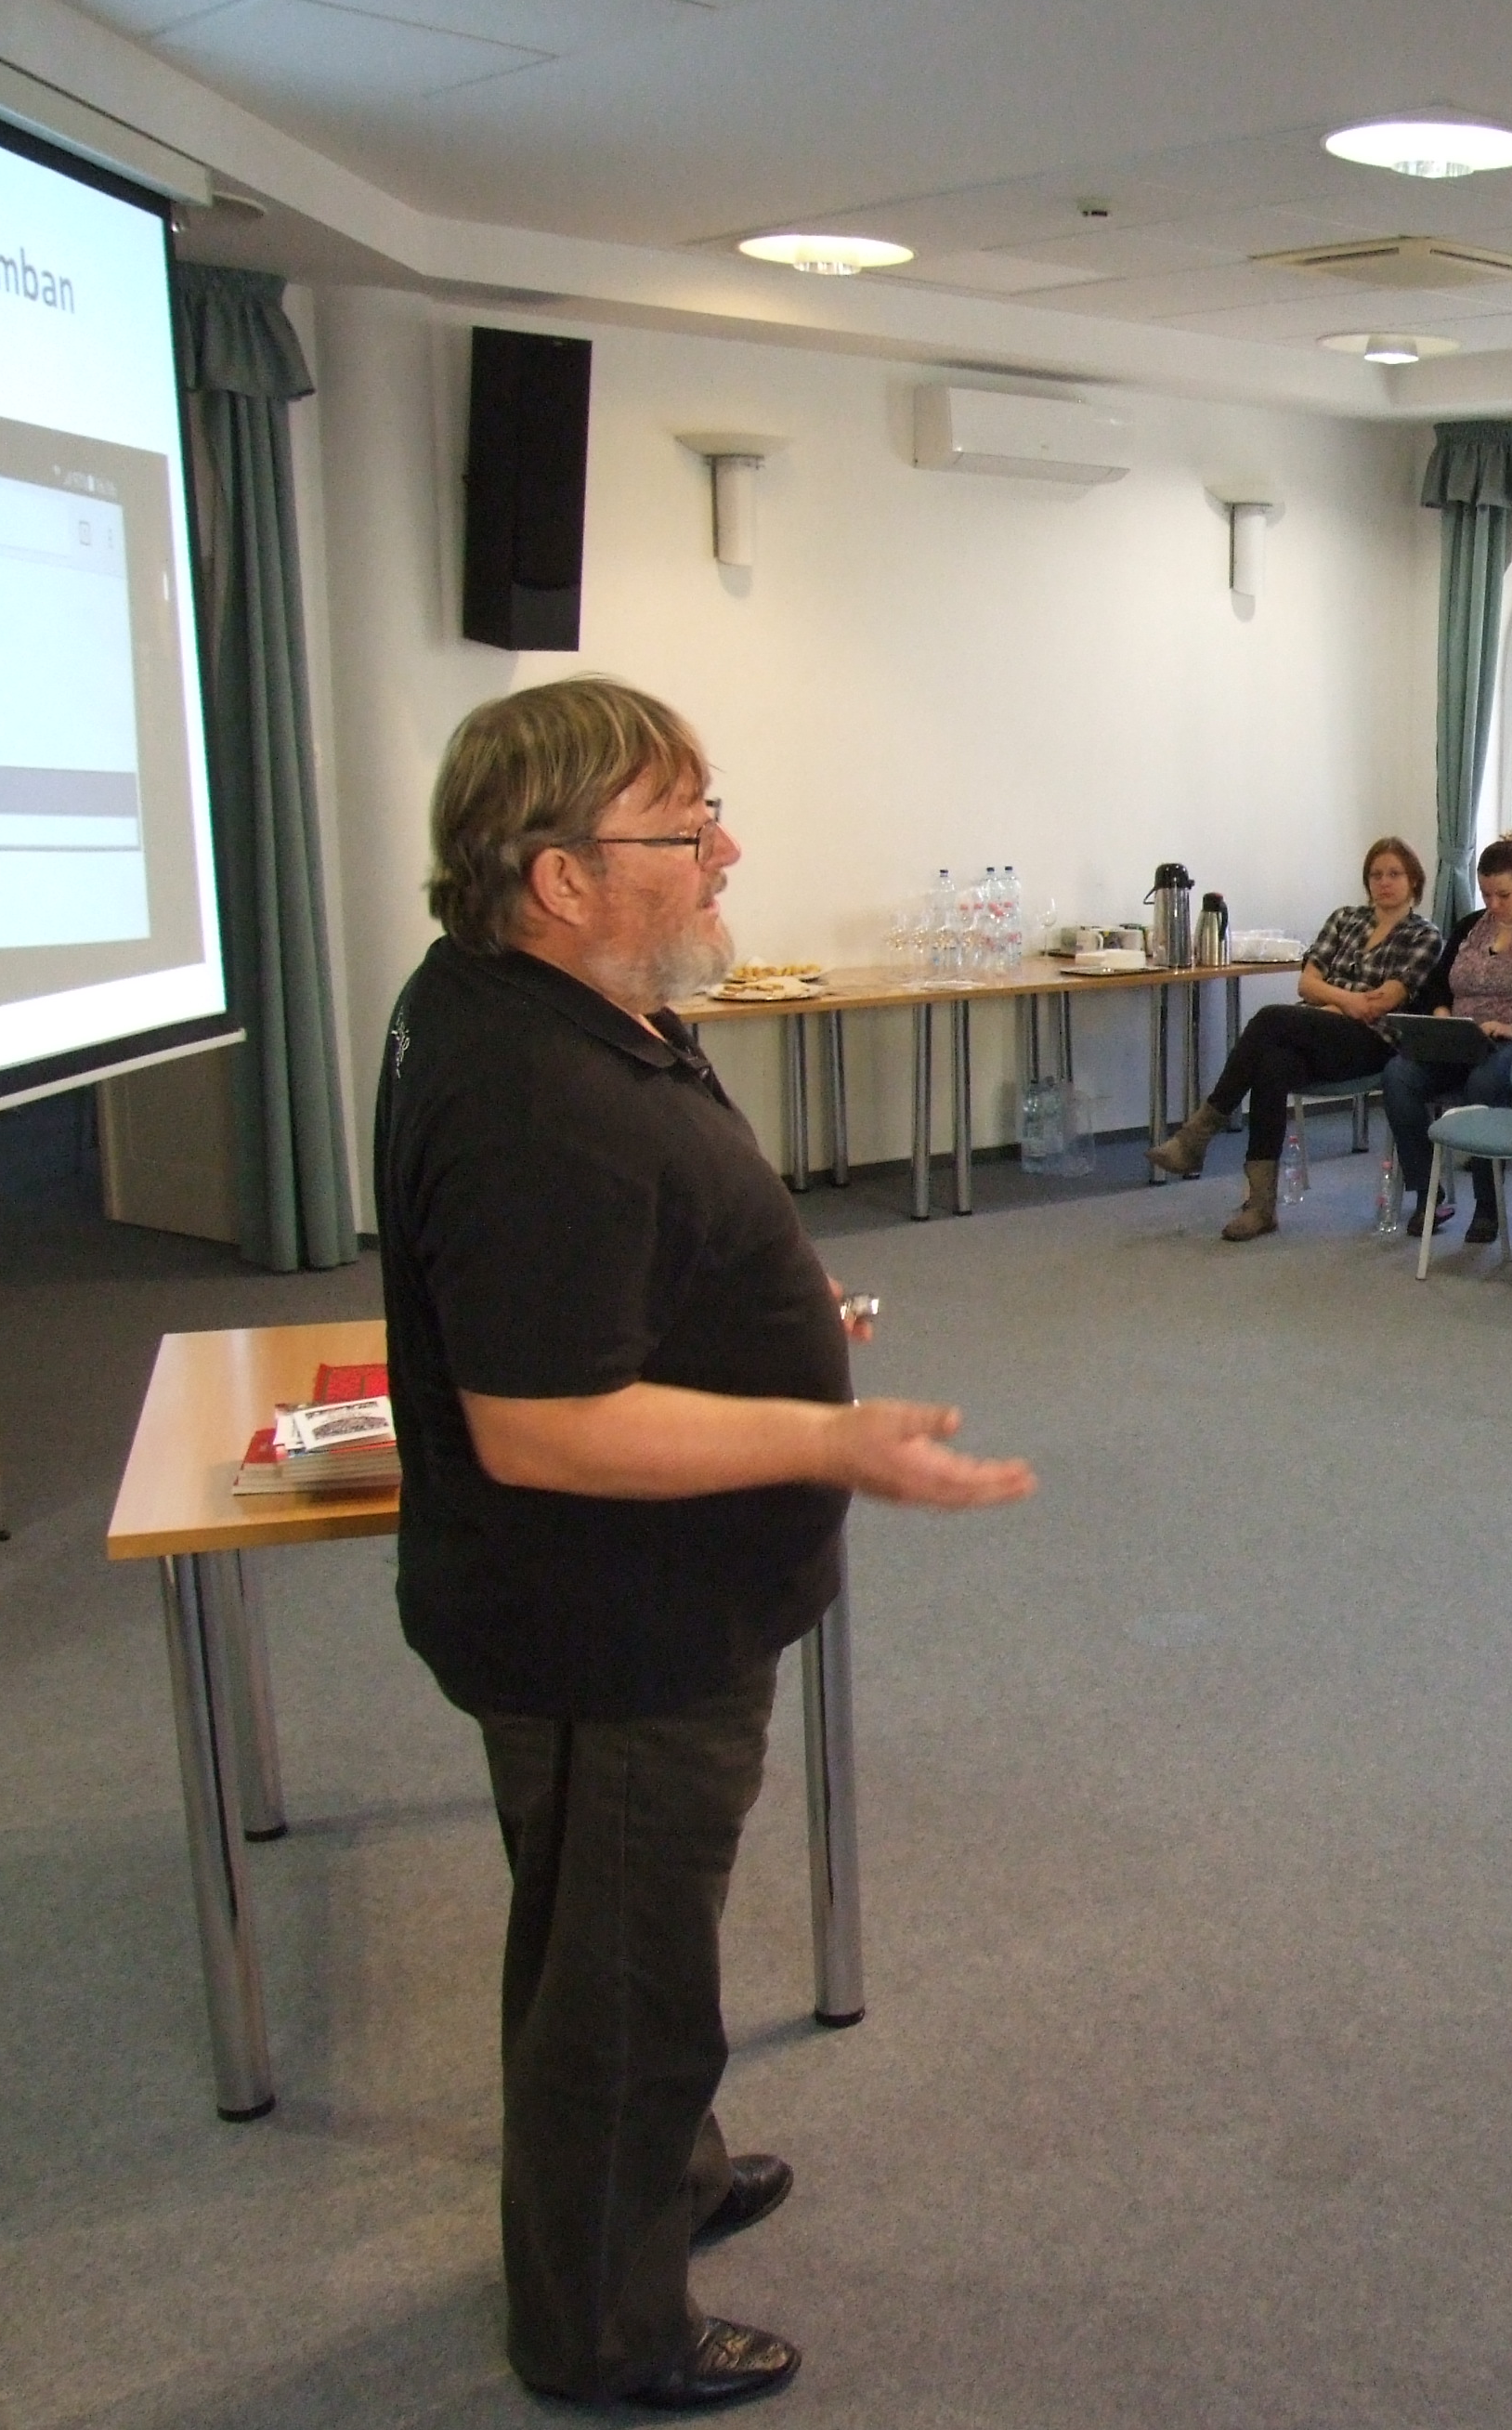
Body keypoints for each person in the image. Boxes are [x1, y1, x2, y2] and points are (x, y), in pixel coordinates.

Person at [377, 679, 1036, 2410]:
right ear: (559, 877)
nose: (727, 852)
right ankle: (603, 2331)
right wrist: (826, 1436)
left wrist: (762, 1304)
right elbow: (543, 1423)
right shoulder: (536, 1097)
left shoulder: (535, 1003)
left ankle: (664, 2178)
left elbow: (607, 1253)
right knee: (622, 1987)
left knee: (607, 1941)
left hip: (624, 1601)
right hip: (613, 1624)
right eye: (685, 831)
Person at [1147, 838, 1444, 1238]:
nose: (1384, 882)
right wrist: (1346, 1002)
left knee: (1270, 1018)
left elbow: (1382, 1003)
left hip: (1373, 1043)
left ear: (1414, 882)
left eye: (1394, 874)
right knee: (1272, 1064)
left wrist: (1333, 1001)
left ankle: (1197, 1135)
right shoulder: (1346, 919)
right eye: (1376, 875)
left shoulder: (1423, 935)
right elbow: (1307, 984)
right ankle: (1260, 1206)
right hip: (1320, 1030)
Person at [1380, 835, 1512, 1243]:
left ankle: (1487, 1203)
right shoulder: (1470, 926)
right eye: (1486, 894)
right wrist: (1442, 1016)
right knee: (1397, 1075)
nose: (1493, 904)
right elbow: (1436, 987)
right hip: (1461, 1040)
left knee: (1484, 1083)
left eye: (1503, 895)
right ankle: (1428, 1193)